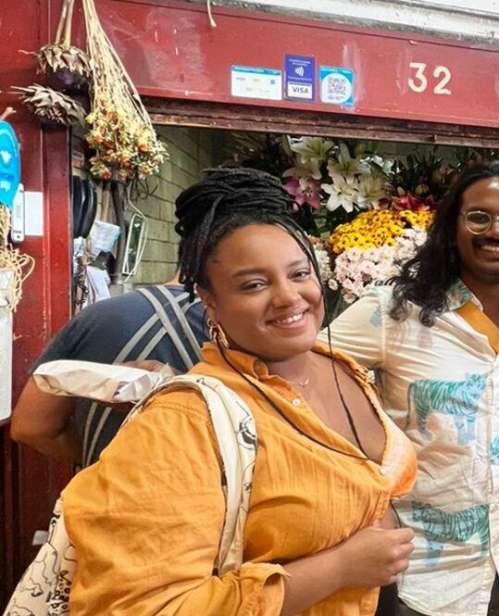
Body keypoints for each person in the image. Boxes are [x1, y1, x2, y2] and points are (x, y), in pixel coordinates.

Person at [59, 167, 418, 615]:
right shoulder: (183, 424)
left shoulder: (342, 368)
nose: (289, 297)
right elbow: (143, 607)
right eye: (254, 284)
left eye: (298, 273)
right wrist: (339, 569)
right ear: (210, 301)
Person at [325, 160, 499, 616]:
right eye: (479, 217)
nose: (497, 230)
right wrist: (365, 464)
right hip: (427, 581)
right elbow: (302, 372)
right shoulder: (394, 313)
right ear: (452, 226)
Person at [10, 275, 207, 465]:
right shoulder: (230, 327)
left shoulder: (95, 317)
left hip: (108, 494)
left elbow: (31, 427)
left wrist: (102, 458)